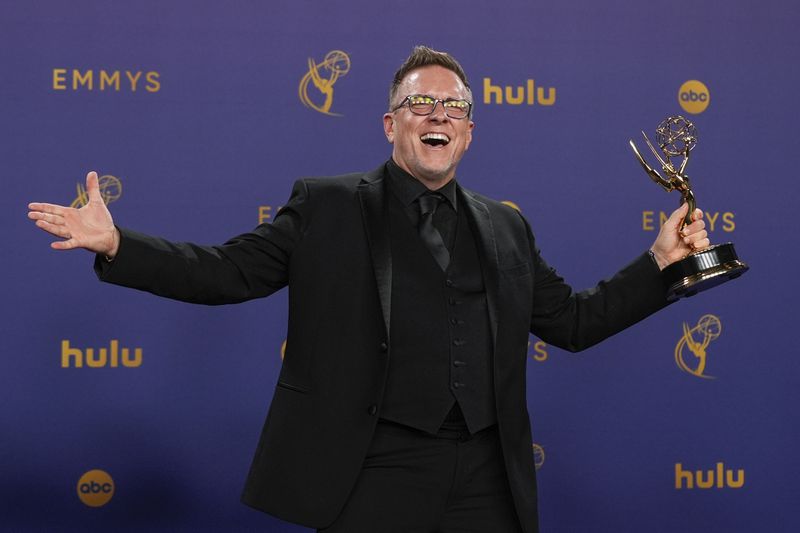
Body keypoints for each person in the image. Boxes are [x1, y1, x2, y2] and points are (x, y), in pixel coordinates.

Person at [27, 46, 708, 533]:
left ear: (467, 132)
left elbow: (575, 321)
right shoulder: (325, 206)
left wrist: (659, 261)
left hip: (487, 481)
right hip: (372, 470)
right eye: (418, 101)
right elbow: (225, 272)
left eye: (452, 105)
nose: (435, 112)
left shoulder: (507, 225)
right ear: (391, 125)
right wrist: (119, 244)